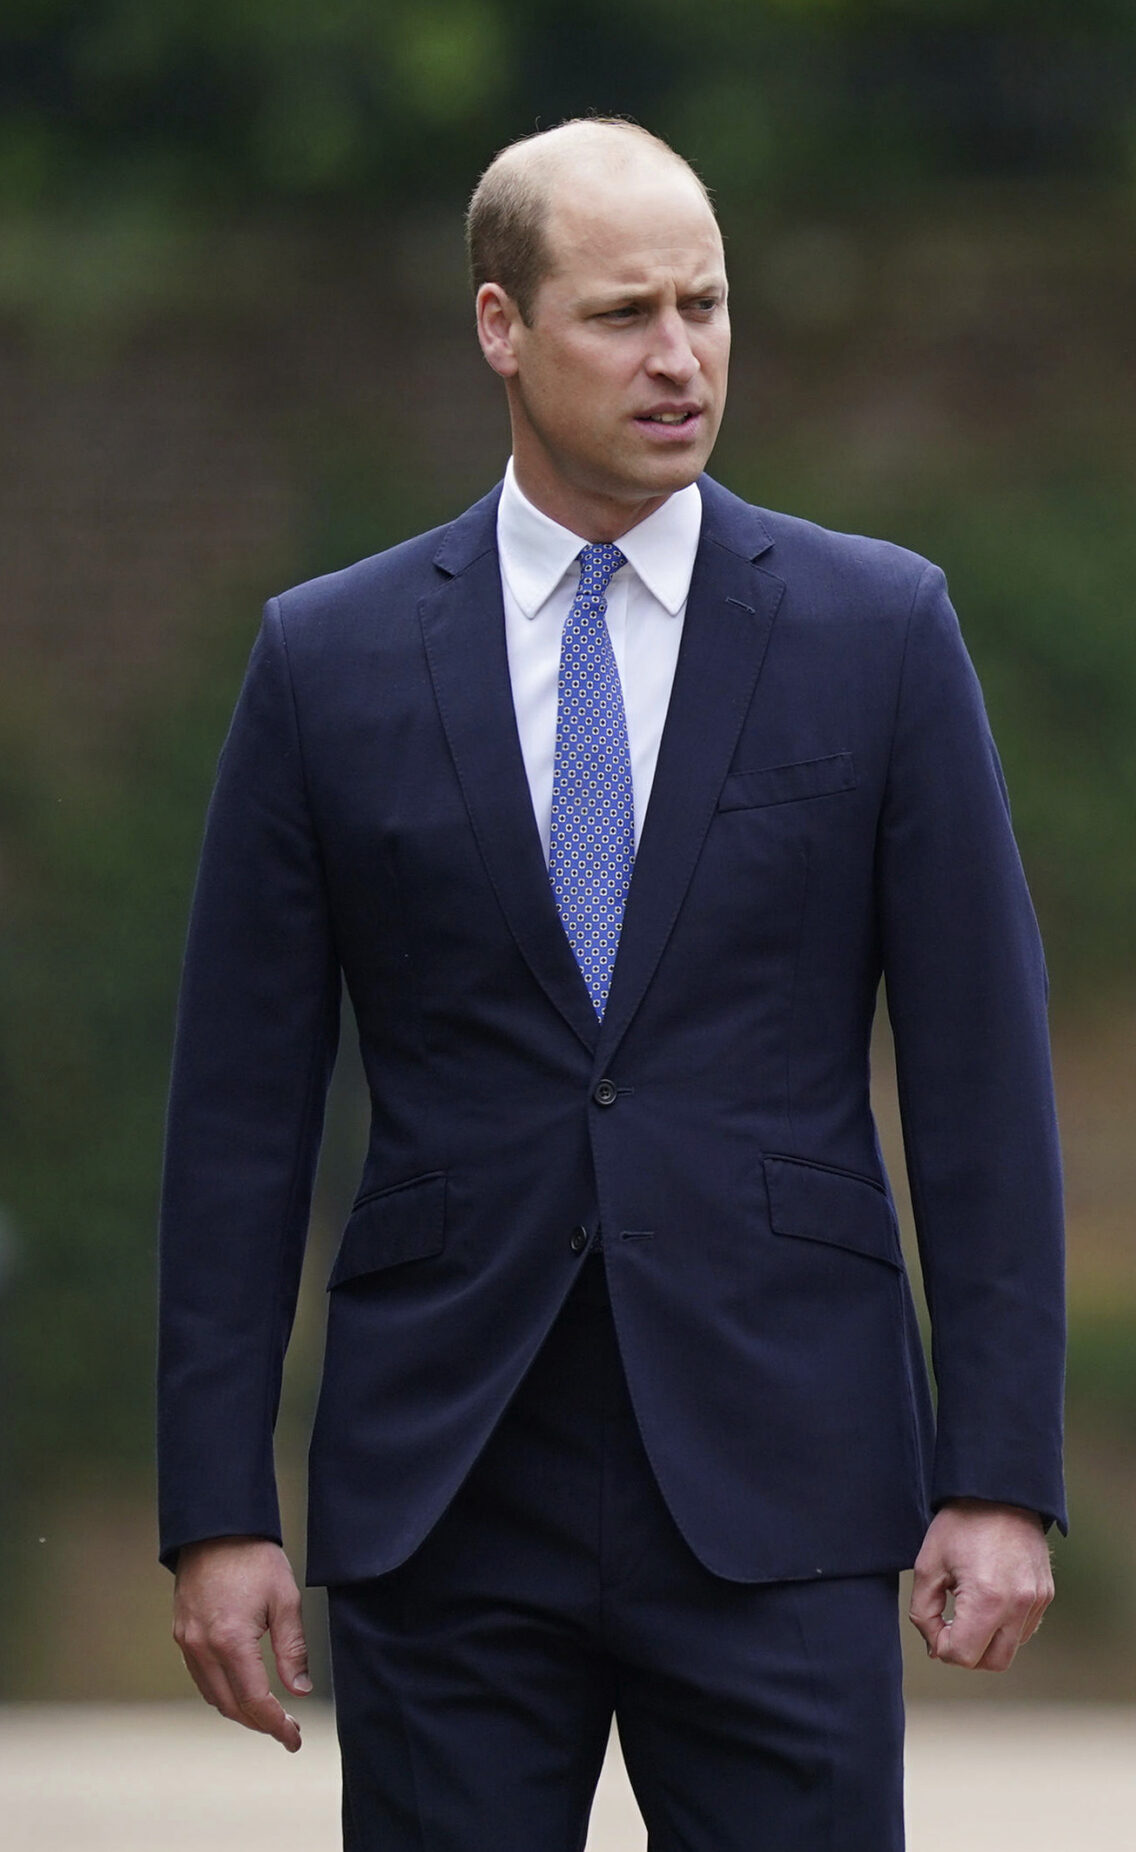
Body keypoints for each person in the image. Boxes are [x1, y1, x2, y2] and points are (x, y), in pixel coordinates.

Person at [157, 118, 1066, 1849]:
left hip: (785, 1472)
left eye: (708, 306)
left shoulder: (881, 632)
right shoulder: (326, 661)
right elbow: (234, 1124)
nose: (681, 357)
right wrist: (216, 1511)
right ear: (500, 324)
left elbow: (982, 1087)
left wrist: (1002, 1474)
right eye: (624, 313)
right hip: (446, 1480)